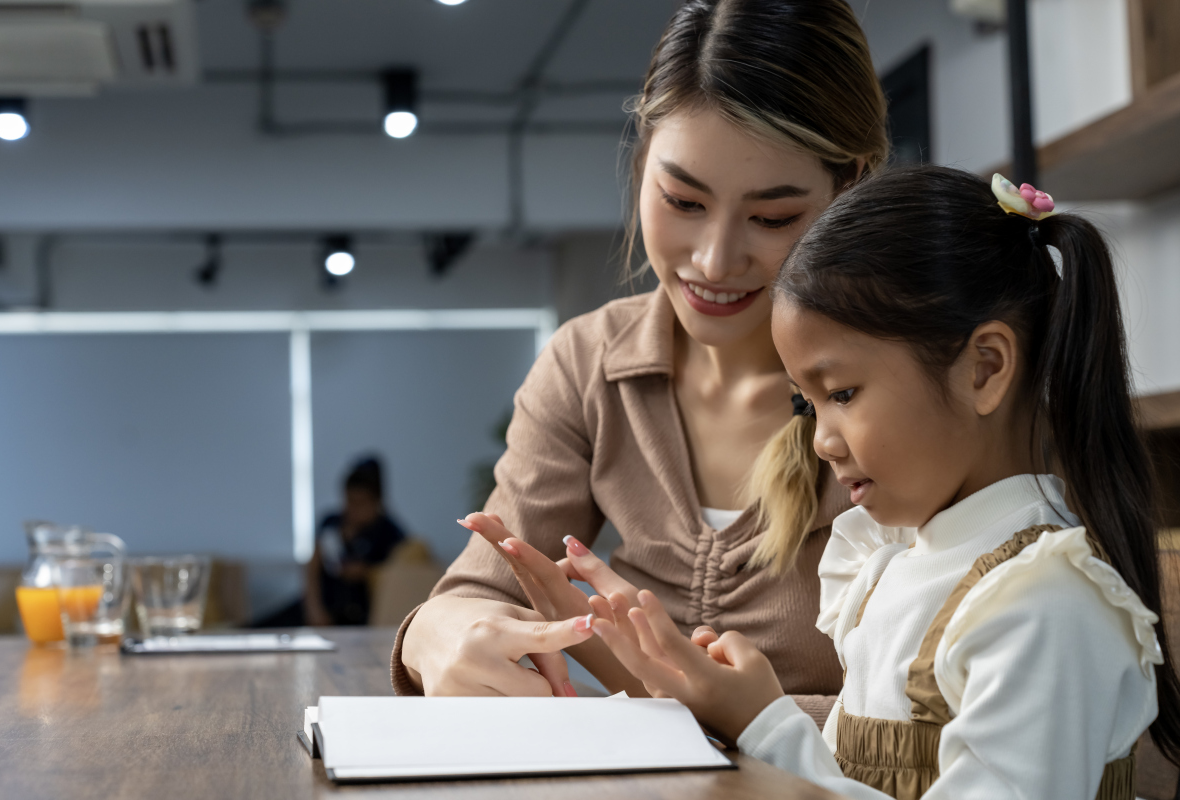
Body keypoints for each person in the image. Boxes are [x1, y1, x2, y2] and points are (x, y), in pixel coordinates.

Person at [586, 166, 1180, 798]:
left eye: (842, 392)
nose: (820, 441)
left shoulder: (1044, 605)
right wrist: (756, 718)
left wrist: (763, 722)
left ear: (984, 369)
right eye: (808, 405)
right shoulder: (895, 564)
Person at [394, 0, 888, 718]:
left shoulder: (916, 380)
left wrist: (744, 720)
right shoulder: (589, 363)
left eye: (773, 218)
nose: (715, 260)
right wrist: (437, 637)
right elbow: (479, 589)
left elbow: (964, 698)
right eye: (684, 201)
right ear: (641, 167)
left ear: (851, 189)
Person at [258, 456, 405, 627]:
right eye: (350, 501)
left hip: (360, 618)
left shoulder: (389, 531)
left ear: (376, 502)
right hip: (322, 606)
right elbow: (312, 567)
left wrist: (367, 573)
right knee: (262, 627)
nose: (353, 509)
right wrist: (314, 609)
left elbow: (404, 572)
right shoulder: (331, 523)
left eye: (361, 503)